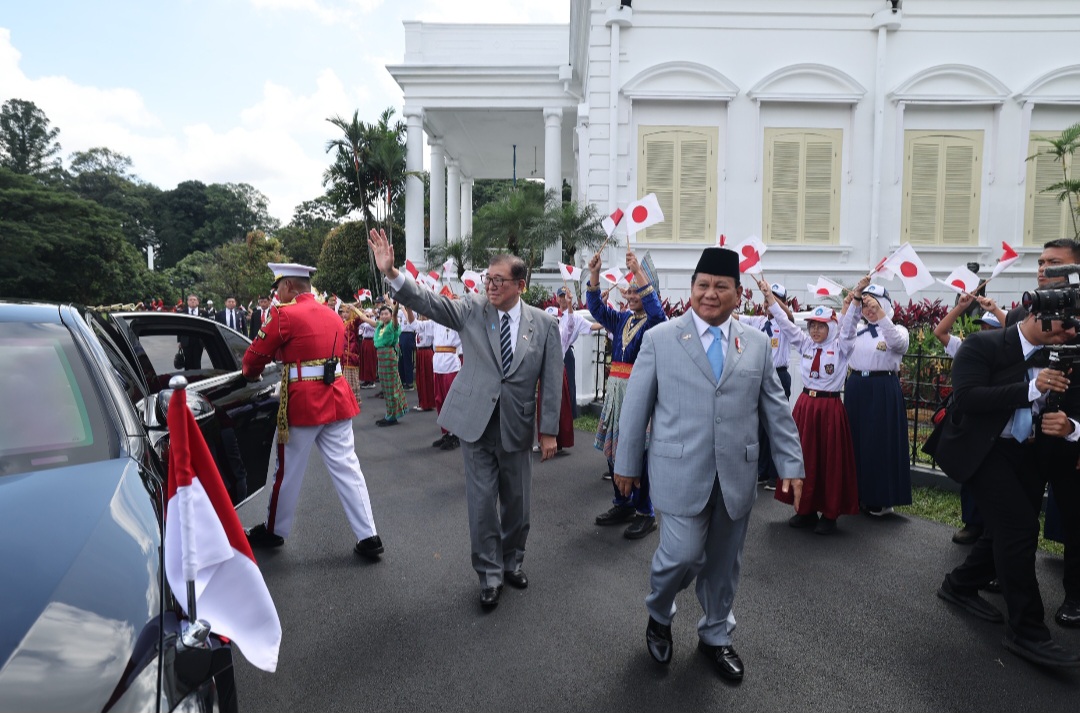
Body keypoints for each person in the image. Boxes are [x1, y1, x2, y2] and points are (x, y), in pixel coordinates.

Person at [615, 247, 804, 682]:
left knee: (724, 563)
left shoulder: (755, 344)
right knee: (679, 555)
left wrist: (791, 465)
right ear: (692, 289)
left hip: (736, 473)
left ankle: (716, 634)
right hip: (679, 470)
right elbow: (636, 408)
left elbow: (775, 410)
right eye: (703, 285)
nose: (710, 294)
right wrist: (627, 464)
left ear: (738, 295)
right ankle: (659, 612)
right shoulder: (661, 338)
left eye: (721, 286)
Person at [368, 228, 562, 610]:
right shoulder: (473, 309)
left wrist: (549, 431)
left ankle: (512, 562)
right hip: (475, 424)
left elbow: (552, 381)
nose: (489, 285)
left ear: (520, 285)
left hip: (517, 426)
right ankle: (489, 575)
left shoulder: (544, 325)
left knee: (517, 507)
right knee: (481, 503)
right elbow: (429, 302)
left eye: (498, 280)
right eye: (488, 278)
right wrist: (392, 274)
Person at [928, 308, 1080, 668]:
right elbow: (968, 399)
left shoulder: (1061, 354)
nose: (1072, 332)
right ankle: (1026, 631)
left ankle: (960, 584)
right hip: (984, 450)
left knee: (1006, 530)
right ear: (1041, 316)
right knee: (1020, 528)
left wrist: (1070, 424)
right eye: (1066, 325)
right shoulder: (984, 344)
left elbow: (1069, 404)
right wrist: (1031, 388)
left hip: (1024, 452)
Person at [241, 262, 384, 560]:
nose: (276, 293)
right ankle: (369, 535)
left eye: (278, 286)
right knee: (348, 468)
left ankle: (275, 530)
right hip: (336, 396)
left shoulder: (283, 314)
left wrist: (252, 374)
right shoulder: (332, 314)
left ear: (290, 286)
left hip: (303, 402)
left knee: (287, 472)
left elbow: (253, 358)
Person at [762, 280, 860, 535]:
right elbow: (785, 323)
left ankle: (829, 514)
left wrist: (856, 300)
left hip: (829, 409)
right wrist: (770, 300)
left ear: (831, 326)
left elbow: (848, 329)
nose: (815, 331)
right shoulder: (806, 344)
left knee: (828, 460)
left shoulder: (840, 347)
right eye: (812, 326)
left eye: (821, 326)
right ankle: (803, 509)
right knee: (802, 457)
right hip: (806, 407)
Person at [587, 247, 667, 540]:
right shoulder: (622, 320)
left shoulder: (657, 324)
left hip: (640, 396)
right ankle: (622, 502)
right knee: (614, 451)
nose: (631, 295)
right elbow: (597, 310)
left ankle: (645, 512)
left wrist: (638, 272)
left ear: (648, 291)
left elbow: (657, 311)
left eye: (638, 291)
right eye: (629, 291)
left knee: (640, 453)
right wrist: (594, 275)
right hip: (615, 395)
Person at [932, 293, 1005, 544]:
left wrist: (996, 311)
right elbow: (940, 333)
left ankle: (991, 527)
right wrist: (960, 307)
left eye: (991, 327)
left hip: (998, 423)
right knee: (970, 472)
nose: (985, 331)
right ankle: (972, 523)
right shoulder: (967, 348)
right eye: (982, 327)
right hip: (971, 422)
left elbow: (1020, 332)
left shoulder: (1010, 352)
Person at [842, 282, 911, 516]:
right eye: (866, 306)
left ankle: (881, 497)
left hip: (882, 386)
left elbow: (898, 344)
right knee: (856, 441)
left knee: (880, 442)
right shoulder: (858, 330)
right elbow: (843, 336)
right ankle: (858, 493)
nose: (869, 310)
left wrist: (880, 315)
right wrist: (854, 303)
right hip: (857, 387)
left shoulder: (896, 329)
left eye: (874, 305)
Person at [738, 282, 795, 490]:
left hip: (779, 376)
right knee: (759, 425)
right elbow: (736, 318)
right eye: (767, 300)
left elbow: (788, 316)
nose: (768, 304)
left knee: (776, 424)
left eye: (773, 300)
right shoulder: (759, 321)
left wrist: (773, 299)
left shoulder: (786, 323)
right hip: (760, 376)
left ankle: (775, 473)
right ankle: (762, 471)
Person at [354, 303, 409, 426]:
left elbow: (395, 314)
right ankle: (390, 413)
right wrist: (354, 309)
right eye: (382, 314)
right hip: (381, 356)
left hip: (389, 356)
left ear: (390, 315)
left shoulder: (392, 326)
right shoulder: (379, 325)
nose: (384, 316)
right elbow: (365, 318)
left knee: (391, 387)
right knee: (385, 387)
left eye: (386, 314)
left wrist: (398, 302)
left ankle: (392, 415)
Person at [430, 316, 464, 450]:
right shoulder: (435, 321)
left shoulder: (456, 321)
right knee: (440, 400)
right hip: (438, 364)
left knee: (452, 401)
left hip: (450, 364)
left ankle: (456, 435)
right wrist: (408, 307)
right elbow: (415, 325)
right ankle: (446, 432)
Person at [339, 301, 364, 406]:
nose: (345, 314)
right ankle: (348, 399)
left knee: (352, 378)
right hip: (344, 354)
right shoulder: (343, 323)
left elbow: (361, 318)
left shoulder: (353, 323)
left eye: (347, 312)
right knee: (345, 378)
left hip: (352, 353)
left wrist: (355, 308)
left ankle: (355, 400)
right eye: (343, 312)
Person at [412, 314, 437, 412]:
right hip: (420, 352)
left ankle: (427, 403)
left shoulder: (427, 324)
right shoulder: (420, 326)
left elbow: (413, 322)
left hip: (426, 352)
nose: (420, 317)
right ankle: (423, 401)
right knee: (420, 378)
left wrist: (405, 309)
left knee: (426, 377)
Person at [178, 294, 206, 369]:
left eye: (194, 300)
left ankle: (198, 378)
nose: (192, 301)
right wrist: (179, 341)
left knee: (197, 362)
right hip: (186, 341)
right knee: (188, 362)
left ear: (198, 302)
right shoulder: (182, 313)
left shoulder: (203, 313)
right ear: (187, 302)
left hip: (198, 341)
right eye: (190, 300)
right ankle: (188, 378)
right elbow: (179, 328)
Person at [399, 304, 417, 391]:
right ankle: (403, 381)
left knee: (407, 359)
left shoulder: (412, 311)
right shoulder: (400, 311)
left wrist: (404, 310)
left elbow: (410, 321)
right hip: (401, 334)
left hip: (409, 334)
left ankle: (409, 382)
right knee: (401, 359)